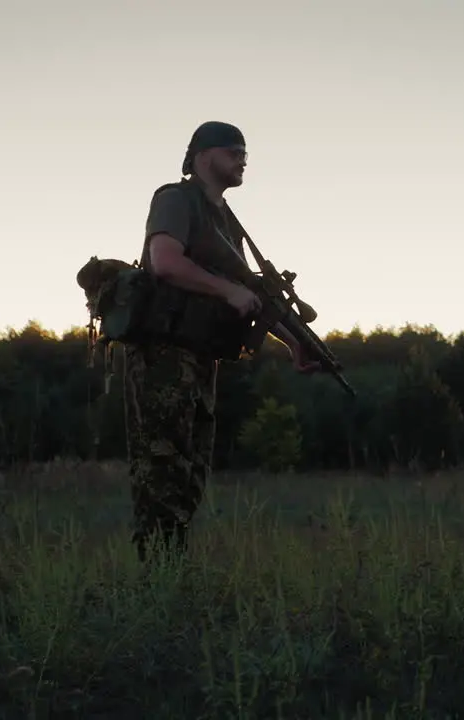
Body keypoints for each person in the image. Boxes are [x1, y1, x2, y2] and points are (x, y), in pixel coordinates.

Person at [124, 120, 318, 562]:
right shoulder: (175, 199)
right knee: (162, 467)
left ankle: (169, 573)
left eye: (245, 153)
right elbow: (165, 262)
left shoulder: (227, 222)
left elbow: (253, 299)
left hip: (200, 358)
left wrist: (294, 343)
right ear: (203, 155)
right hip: (163, 355)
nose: (243, 158)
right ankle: (156, 577)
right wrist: (229, 291)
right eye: (234, 150)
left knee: (191, 472)